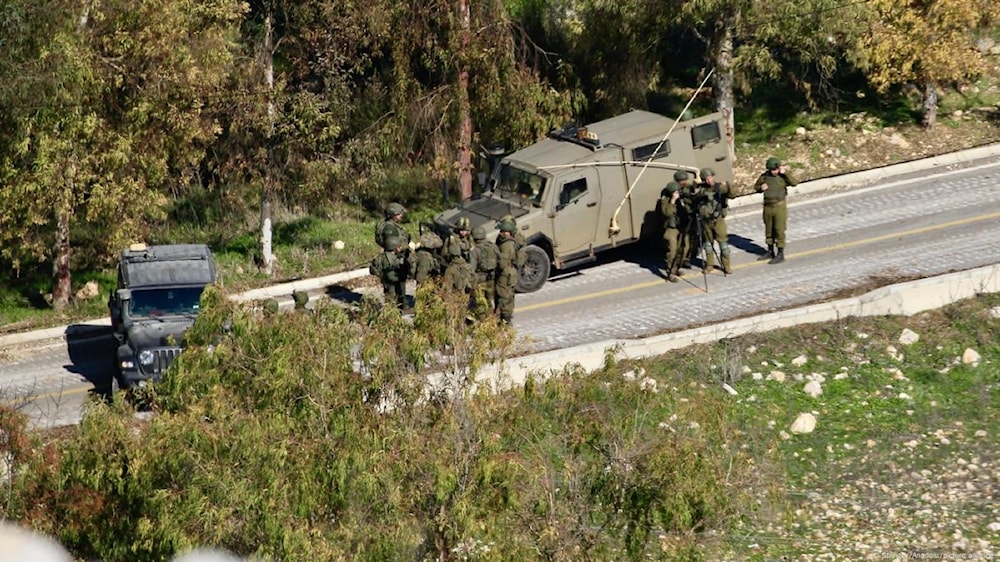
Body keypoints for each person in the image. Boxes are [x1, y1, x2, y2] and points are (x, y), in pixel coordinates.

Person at [753, 157, 798, 264]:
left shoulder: (782, 177)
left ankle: (780, 253)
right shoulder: (765, 177)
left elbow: (794, 182)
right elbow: (756, 186)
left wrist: (785, 173)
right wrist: (760, 188)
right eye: (772, 170)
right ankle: (770, 250)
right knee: (769, 229)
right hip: (768, 206)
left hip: (779, 206)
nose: (774, 172)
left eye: (776, 170)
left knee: (779, 229)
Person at [696, 167, 736, 274]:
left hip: (718, 220)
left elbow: (733, 195)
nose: (709, 180)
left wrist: (728, 185)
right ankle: (709, 265)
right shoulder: (701, 189)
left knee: (723, 245)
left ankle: (726, 266)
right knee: (708, 245)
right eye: (706, 179)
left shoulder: (719, 187)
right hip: (705, 222)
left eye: (710, 178)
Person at [369, 235, 407, 309]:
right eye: (398, 247)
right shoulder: (396, 258)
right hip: (396, 281)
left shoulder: (381, 257)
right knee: (397, 297)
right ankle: (396, 311)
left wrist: (381, 276)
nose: (400, 248)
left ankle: (391, 310)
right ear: (394, 248)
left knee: (390, 298)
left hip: (387, 281)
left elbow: (373, 269)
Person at [470, 225, 500, 312]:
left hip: (480, 279)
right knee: (490, 299)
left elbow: (472, 267)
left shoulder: (475, 250)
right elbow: (499, 259)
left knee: (481, 301)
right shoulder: (493, 246)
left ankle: (485, 318)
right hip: (493, 277)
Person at [495, 218, 519, 324]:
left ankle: (506, 320)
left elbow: (502, 263)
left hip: (505, 274)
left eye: (505, 232)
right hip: (509, 272)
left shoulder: (506, 245)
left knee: (504, 296)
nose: (502, 233)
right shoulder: (509, 242)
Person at [659, 181, 684, 282]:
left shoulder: (681, 200)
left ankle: (676, 268)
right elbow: (667, 212)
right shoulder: (665, 201)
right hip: (671, 229)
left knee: (682, 249)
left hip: (680, 227)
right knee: (672, 251)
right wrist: (673, 201)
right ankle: (671, 273)